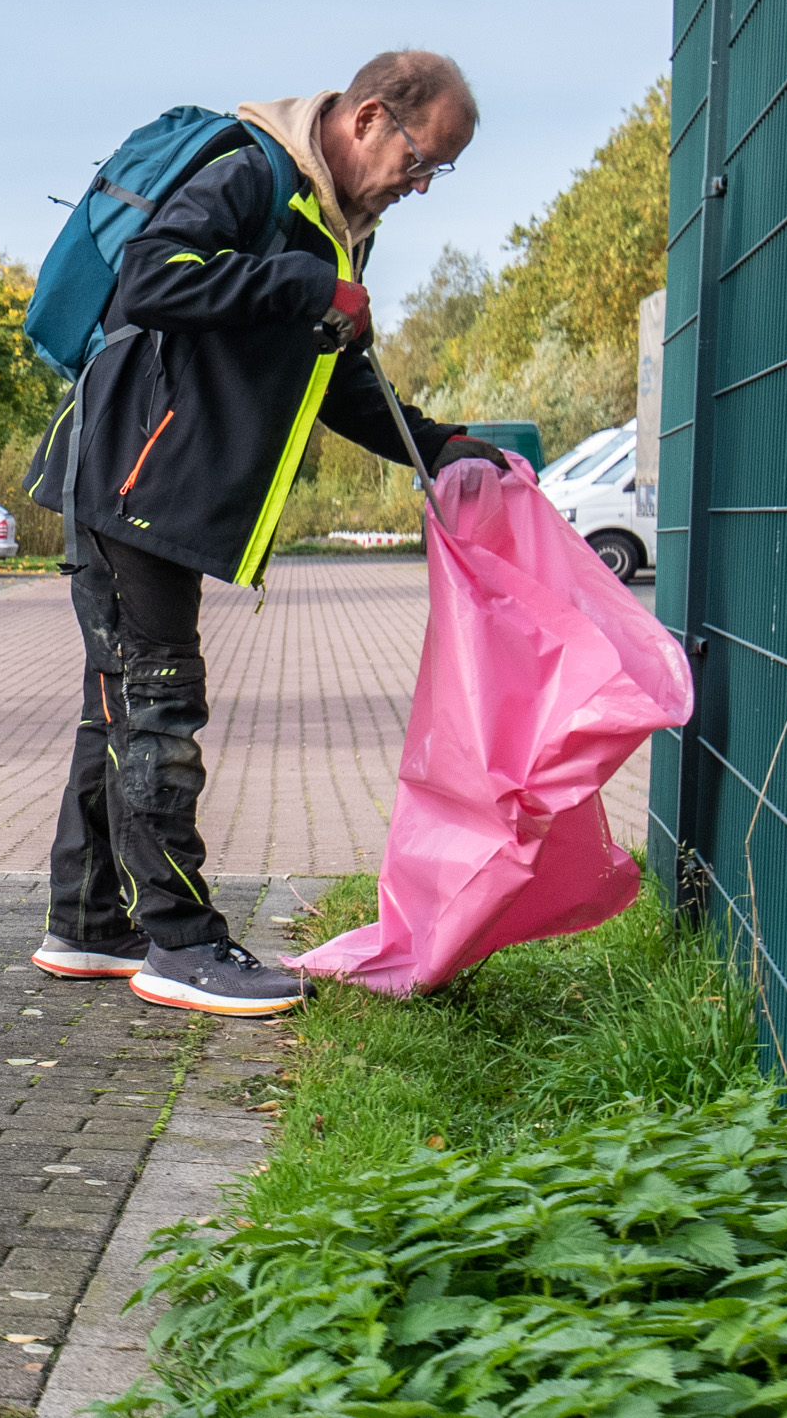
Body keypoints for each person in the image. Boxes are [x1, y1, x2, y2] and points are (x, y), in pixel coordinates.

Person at [28, 51, 507, 1016]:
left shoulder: (332, 227)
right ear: (369, 117)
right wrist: (302, 287)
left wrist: (439, 441)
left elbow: (329, 376)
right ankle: (181, 945)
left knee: (120, 710)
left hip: (151, 486)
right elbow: (154, 277)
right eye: (422, 159)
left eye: (437, 171)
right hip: (131, 482)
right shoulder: (253, 172)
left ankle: (88, 926)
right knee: (159, 706)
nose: (421, 185)